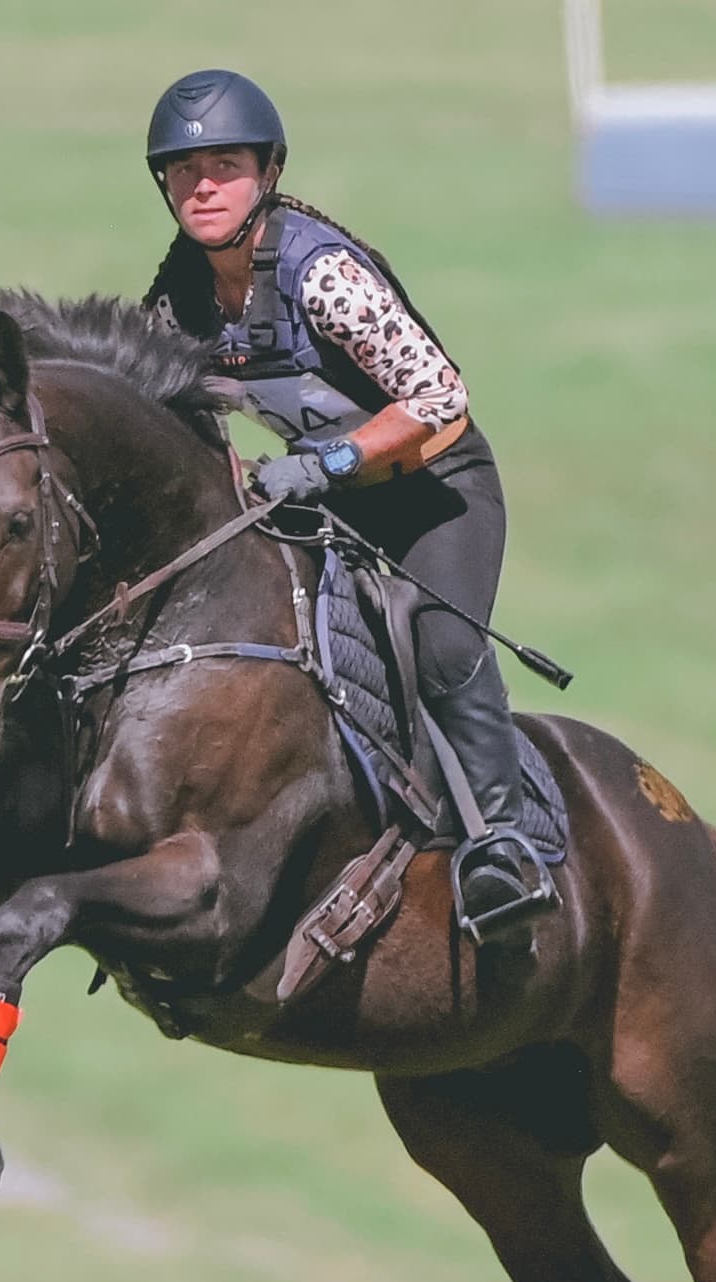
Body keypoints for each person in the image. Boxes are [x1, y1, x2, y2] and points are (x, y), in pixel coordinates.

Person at [138, 69, 554, 940]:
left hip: (434, 493)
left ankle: (504, 845)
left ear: (268, 172)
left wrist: (325, 460)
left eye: (224, 164)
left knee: (439, 647)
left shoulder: (321, 273)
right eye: (182, 170)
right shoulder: (174, 297)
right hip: (322, 502)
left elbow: (441, 398)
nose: (202, 185)